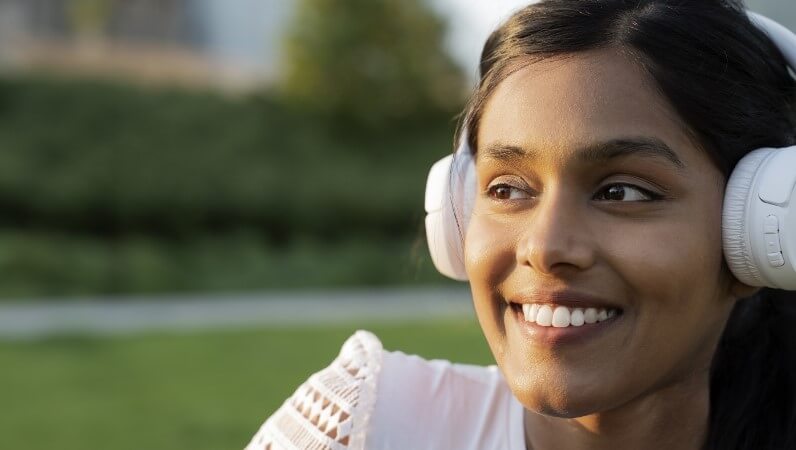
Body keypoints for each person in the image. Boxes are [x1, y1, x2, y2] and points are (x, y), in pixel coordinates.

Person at [245, 1, 796, 449]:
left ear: (761, 228)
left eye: (622, 191)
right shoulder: (364, 427)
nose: (545, 246)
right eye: (507, 189)